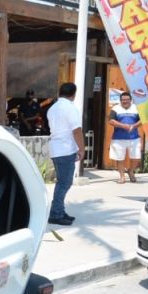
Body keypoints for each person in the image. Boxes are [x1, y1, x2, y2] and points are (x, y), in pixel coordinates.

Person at [46, 82, 84, 226]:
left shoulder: (52, 108)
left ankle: (60, 210)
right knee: (64, 183)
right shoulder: (70, 108)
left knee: (63, 182)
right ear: (73, 94)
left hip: (56, 148)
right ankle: (56, 213)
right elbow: (77, 130)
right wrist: (82, 148)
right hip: (66, 149)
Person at [108, 91, 142, 183]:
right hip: (118, 138)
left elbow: (142, 120)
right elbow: (111, 121)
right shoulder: (115, 108)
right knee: (120, 158)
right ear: (120, 100)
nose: (125, 101)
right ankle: (122, 177)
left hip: (134, 138)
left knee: (136, 157)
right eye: (123, 100)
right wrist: (123, 126)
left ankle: (131, 171)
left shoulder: (136, 108)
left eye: (127, 99)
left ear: (131, 100)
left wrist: (134, 126)